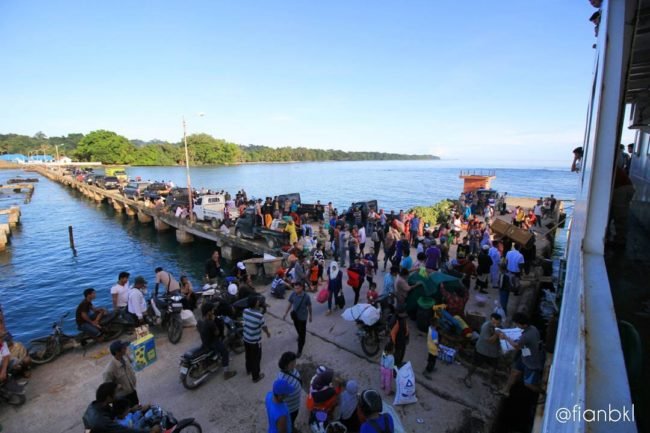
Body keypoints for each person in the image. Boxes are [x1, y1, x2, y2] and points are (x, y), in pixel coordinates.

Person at [497, 313, 545, 402]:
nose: (516, 325)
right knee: (514, 372)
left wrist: (506, 337)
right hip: (525, 355)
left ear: (524, 324)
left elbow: (516, 346)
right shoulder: (533, 328)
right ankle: (506, 390)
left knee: (528, 384)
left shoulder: (526, 336)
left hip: (532, 361)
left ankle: (543, 393)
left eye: (517, 324)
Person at [83, 382, 160, 433]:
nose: (117, 396)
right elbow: (124, 430)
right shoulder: (101, 421)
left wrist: (130, 410)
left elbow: (113, 413)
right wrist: (150, 431)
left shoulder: (95, 405)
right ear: (108, 397)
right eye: (116, 393)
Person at [197, 303, 237, 380]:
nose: (213, 310)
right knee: (225, 352)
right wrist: (214, 321)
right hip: (212, 342)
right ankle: (226, 373)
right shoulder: (210, 322)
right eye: (212, 310)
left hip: (205, 341)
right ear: (208, 312)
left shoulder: (200, 321)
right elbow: (217, 333)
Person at [463, 313, 502, 388]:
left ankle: (489, 381)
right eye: (494, 323)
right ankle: (468, 377)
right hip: (482, 350)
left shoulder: (500, 327)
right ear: (491, 320)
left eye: (498, 323)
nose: (496, 325)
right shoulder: (486, 326)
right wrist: (496, 335)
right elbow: (489, 341)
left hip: (493, 352)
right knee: (475, 364)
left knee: (493, 367)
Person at [103, 340, 139, 407]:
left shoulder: (125, 356)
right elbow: (108, 388)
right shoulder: (109, 370)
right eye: (124, 348)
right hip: (122, 398)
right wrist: (117, 386)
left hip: (132, 391)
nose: (126, 348)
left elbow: (132, 362)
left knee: (137, 407)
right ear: (117, 352)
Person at [243, 295, 271, 383]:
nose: (258, 302)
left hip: (246, 338)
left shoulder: (245, 311)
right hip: (255, 341)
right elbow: (264, 326)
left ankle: (249, 370)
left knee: (248, 355)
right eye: (257, 301)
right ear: (255, 304)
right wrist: (267, 333)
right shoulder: (259, 316)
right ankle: (256, 377)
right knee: (256, 358)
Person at [283, 282, 313, 358]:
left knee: (302, 335)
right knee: (297, 328)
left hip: (303, 318)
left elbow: (309, 306)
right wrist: (285, 313)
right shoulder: (293, 294)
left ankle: (299, 350)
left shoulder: (306, 296)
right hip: (295, 316)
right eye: (295, 288)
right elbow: (290, 303)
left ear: (302, 288)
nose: (296, 289)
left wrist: (310, 316)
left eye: (297, 288)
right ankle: (300, 335)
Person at [277, 352, 302, 427]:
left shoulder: (292, 370)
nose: (295, 365)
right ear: (285, 365)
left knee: (292, 420)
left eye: (295, 362)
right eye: (292, 363)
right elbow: (279, 398)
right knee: (289, 422)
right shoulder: (281, 380)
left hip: (295, 405)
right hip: (289, 409)